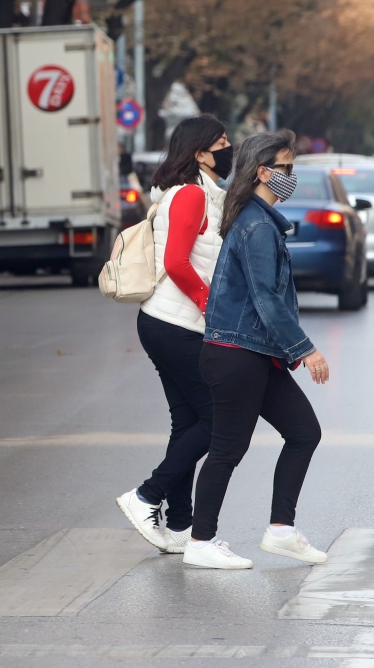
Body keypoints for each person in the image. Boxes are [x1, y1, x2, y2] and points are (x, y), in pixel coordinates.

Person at [183, 129, 329, 570]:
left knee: (303, 432)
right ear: (264, 172)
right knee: (228, 447)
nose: (292, 176)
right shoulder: (257, 224)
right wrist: (305, 349)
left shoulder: (258, 219)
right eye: (286, 168)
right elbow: (266, 297)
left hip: (252, 353)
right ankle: (200, 540)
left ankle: (281, 530)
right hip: (236, 354)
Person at [115, 116, 231, 554]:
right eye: (220, 142)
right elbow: (178, 262)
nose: (229, 147)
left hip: (169, 322)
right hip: (175, 324)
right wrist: (208, 304)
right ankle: (146, 495)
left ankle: (181, 524)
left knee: (187, 423)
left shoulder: (196, 193)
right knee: (217, 419)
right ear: (199, 153)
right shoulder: (191, 195)